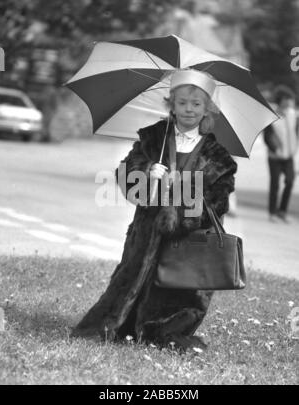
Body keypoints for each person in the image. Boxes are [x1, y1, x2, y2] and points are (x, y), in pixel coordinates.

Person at [71, 69, 238, 352]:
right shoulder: (153, 139)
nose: (189, 109)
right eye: (182, 102)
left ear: (207, 109)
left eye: (196, 104)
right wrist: (147, 172)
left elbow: (218, 200)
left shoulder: (217, 156)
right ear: (171, 103)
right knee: (133, 277)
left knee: (176, 292)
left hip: (188, 238)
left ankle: (161, 329)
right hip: (146, 232)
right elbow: (126, 175)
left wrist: (182, 191)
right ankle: (122, 323)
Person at [264, 85, 299, 223]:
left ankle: (282, 211)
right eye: (287, 98)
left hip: (289, 156)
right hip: (274, 157)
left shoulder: (293, 114)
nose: (290, 101)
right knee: (275, 184)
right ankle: (272, 212)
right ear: (281, 100)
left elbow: (295, 131)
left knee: (290, 182)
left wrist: (294, 147)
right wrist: (275, 149)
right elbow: (267, 137)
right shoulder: (272, 115)